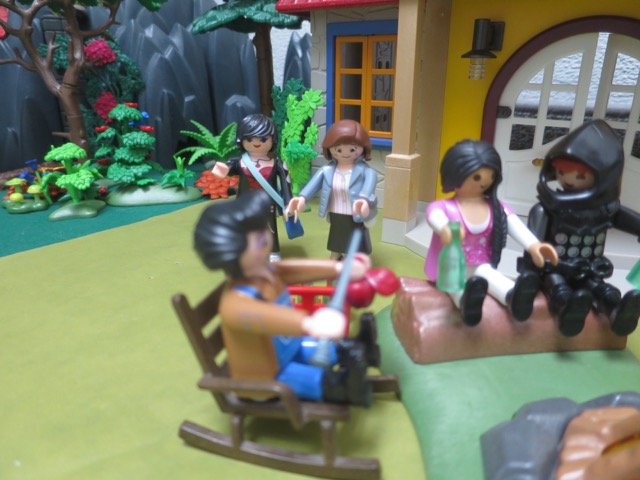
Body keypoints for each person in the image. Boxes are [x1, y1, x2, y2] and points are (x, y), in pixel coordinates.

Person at [193, 189, 378, 406]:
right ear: (231, 250)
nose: (265, 236)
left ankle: (361, 350)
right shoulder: (236, 304)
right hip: (266, 375)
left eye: (263, 230)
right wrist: (309, 323)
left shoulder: (266, 273)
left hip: (289, 347)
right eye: (256, 238)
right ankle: (346, 387)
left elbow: (293, 269)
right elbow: (263, 316)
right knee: (319, 379)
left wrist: (338, 268)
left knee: (332, 349)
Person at [520, 119, 640, 336]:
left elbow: (628, 220)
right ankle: (567, 311)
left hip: (589, 269)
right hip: (555, 270)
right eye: (561, 172)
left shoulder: (606, 209)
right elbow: (533, 251)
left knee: (603, 290)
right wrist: (560, 266)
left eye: (580, 175)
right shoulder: (544, 210)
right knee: (559, 289)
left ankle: (617, 312)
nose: (567, 180)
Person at [425, 140, 558, 326]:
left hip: (481, 264)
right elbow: (435, 218)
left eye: (491, 176)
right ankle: (467, 304)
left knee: (492, 276)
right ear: (456, 173)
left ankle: (514, 298)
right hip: (451, 267)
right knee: (457, 287)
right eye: (476, 177)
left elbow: (514, 225)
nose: (484, 182)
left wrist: (534, 245)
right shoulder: (444, 207)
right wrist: (445, 229)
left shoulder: (496, 208)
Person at [286, 119, 377, 258]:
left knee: (356, 234)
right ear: (329, 148)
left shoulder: (365, 170)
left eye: (352, 149)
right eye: (338, 149)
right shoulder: (327, 170)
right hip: (336, 210)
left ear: (363, 148)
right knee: (336, 232)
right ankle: (336, 253)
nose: (345, 153)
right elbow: (314, 184)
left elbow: (369, 185)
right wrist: (302, 198)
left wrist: (364, 199)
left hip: (355, 210)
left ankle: (356, 257)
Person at [211, 114, 291, 261]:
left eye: (263, 139)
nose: (256, 143)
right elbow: (227, 168)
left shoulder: (277, 163)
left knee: (270, 228)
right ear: (241, 140)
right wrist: (223, 170)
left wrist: (288, 203)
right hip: (245, 203)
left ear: (272, 140)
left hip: (267, 204)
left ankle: (273, 251)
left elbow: (286, 184)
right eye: (249, 139)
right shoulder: (239, 162)